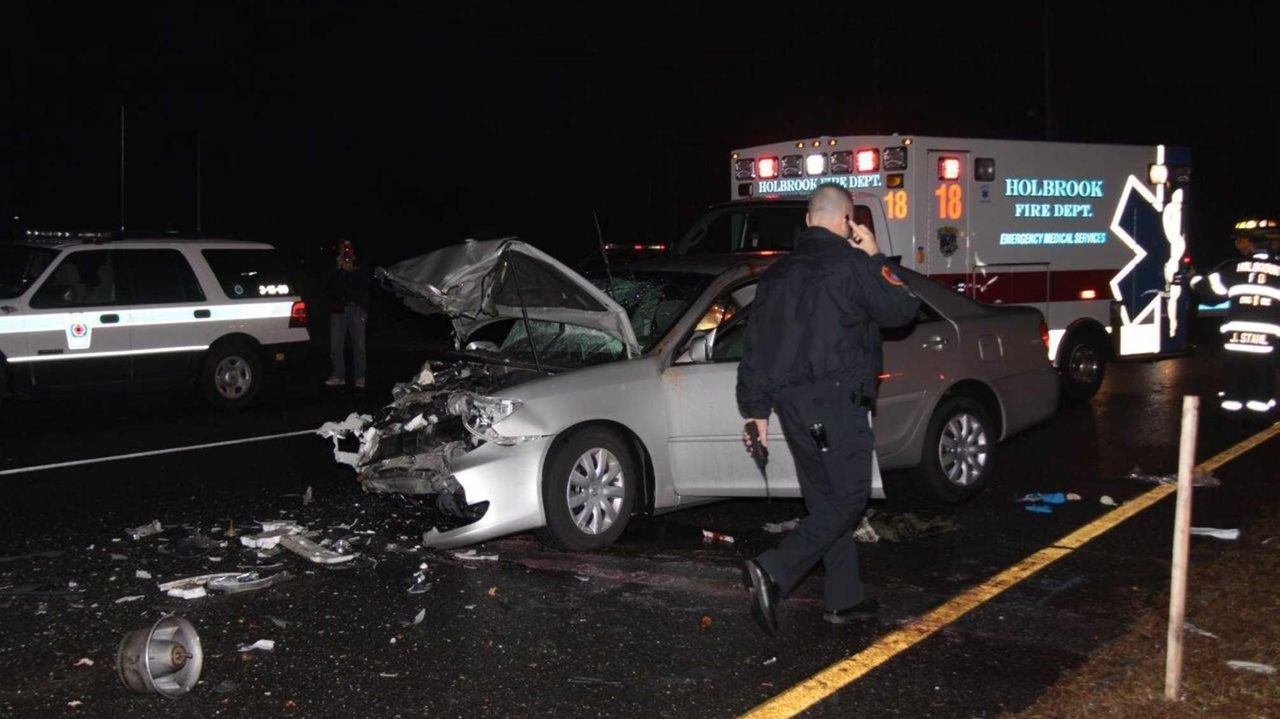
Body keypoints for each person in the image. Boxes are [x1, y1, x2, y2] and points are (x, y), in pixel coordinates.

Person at [737, 184, 920, 635]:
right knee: (850, 498)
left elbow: (757, 347)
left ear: (807, 221)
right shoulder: (852, 265)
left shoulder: (776, 276)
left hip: (793, 408)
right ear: (848, 222)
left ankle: (845, 597)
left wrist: (755, 411)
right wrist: (876, 255)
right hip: (836, 405)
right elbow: (902, 309)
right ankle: (775, 569)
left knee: (825, 500)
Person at [1191, 229, 1280, 416]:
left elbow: (1207, 292)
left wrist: (1192, 278)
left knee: (1234, 373)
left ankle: (1232, 411)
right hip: (1268, 339)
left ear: (1252, 246)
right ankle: (1258, 415)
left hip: (1236, 338)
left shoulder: (1234, 267)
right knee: (1262, 376)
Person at [324, 238, 373, 389]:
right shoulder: (334, 264)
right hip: (338, 310)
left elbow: (367, 282)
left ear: (353, 249)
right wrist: (337, 267)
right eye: (343, 247)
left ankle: (360, 377)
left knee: (359, 345)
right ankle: (339, 376)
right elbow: (326, 282)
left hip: (356, 309)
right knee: (335, 346)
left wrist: (352, 269)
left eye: (348, 247)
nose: (346, 250)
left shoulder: (360, 265)